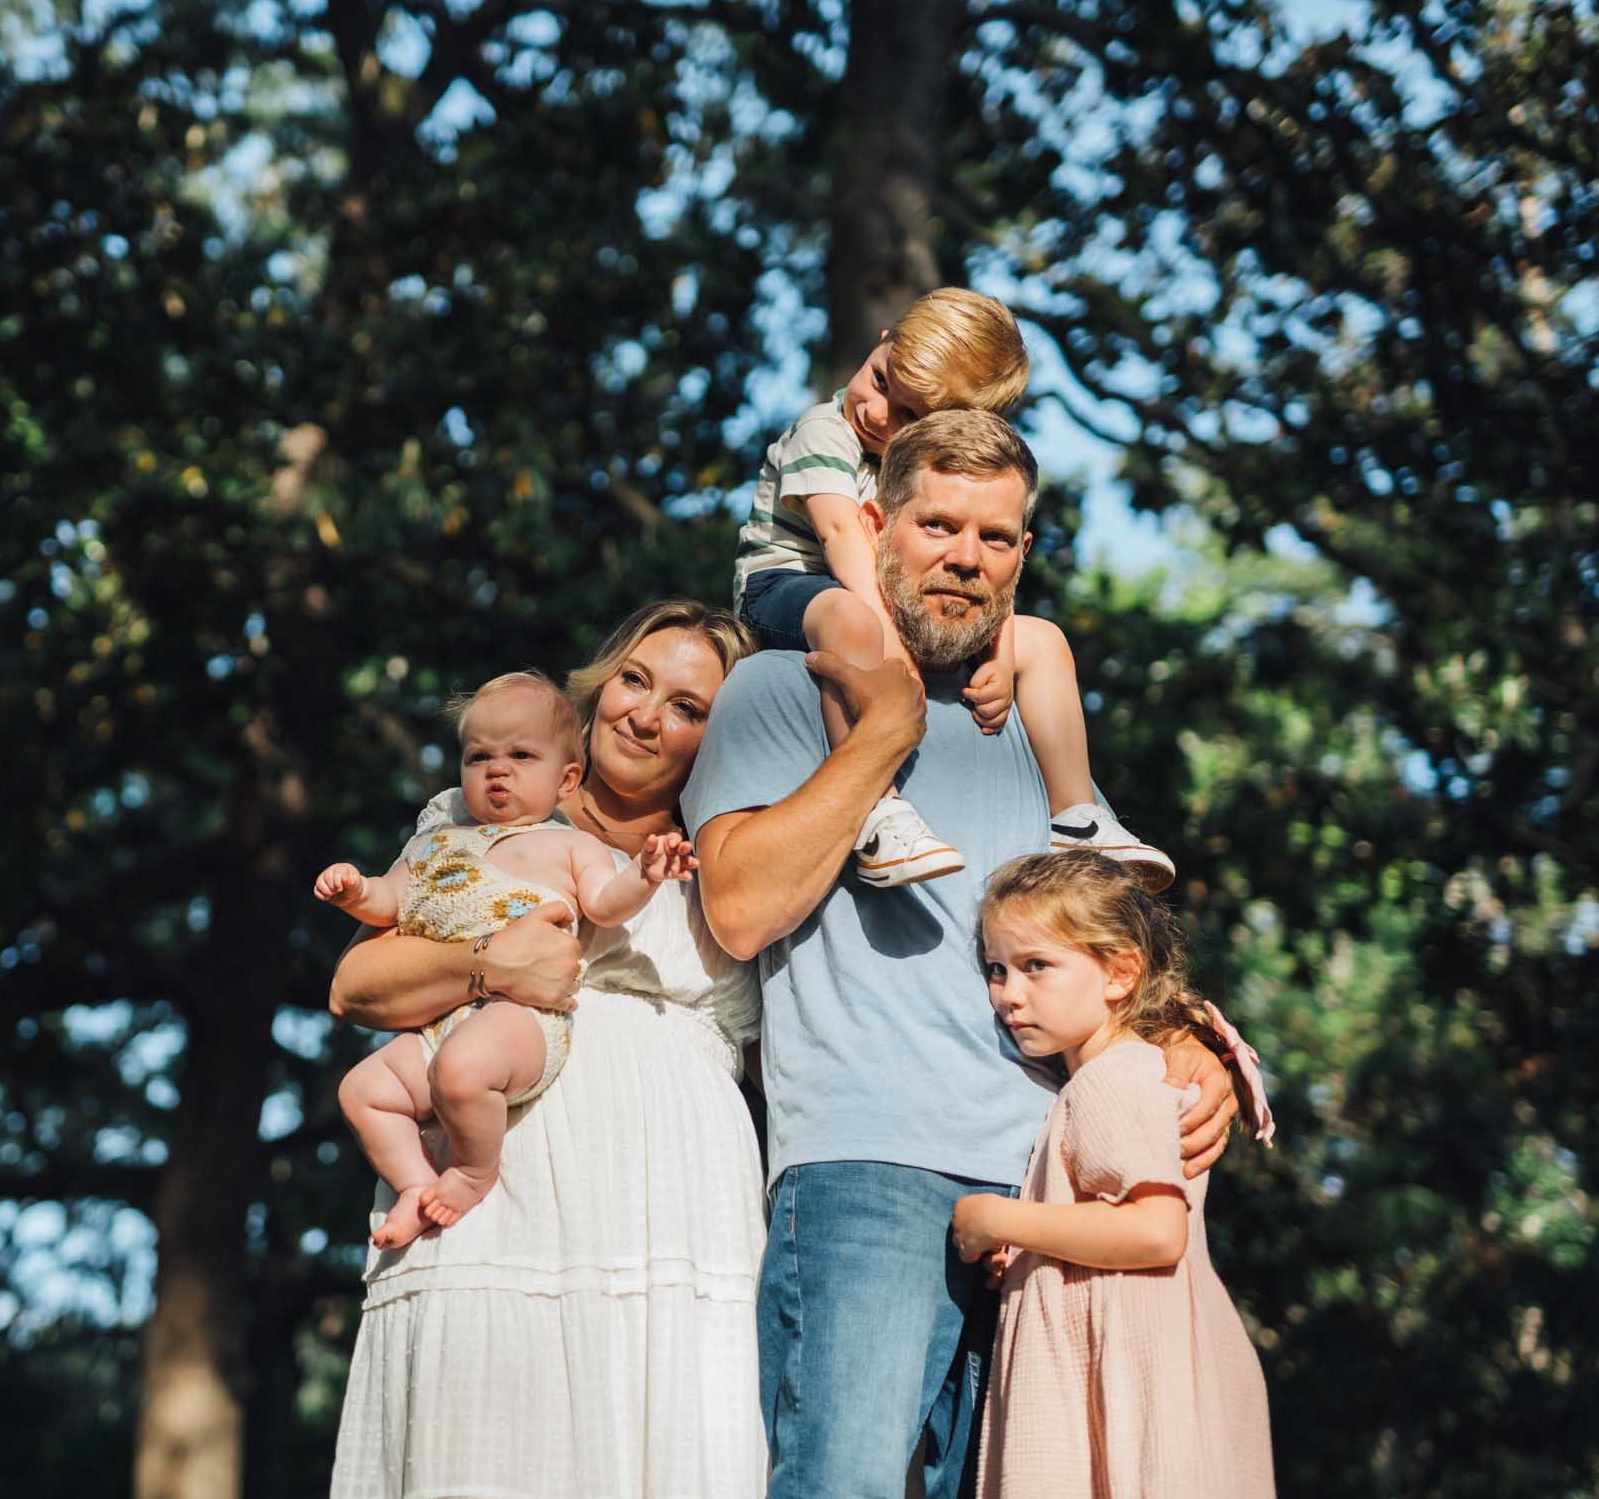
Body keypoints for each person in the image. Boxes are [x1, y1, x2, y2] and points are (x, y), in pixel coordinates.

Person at [682, 408, 1242, 1498]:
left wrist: (1194, 1046)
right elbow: (740, 909)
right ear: (876, 525)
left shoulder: (1034, 711)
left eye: (996, 537)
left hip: (1056, 1186)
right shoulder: (781, 688)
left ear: (1025, 553)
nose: (965, 559)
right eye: (938, 526)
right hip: (867, 1168)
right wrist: (886, 723)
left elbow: (1101, 943)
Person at [328, 600, 769, 1499]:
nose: (646, 714)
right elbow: (356, 988)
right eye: (635, 682)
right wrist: (491, 965)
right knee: (480, 1441)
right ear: (600, 687)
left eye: (689, 707)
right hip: (492, 1171)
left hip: (667, 1193)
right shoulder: (474, 811)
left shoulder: (737, 848)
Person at [732, 287, 1171, 890]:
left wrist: (1003, 649)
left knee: (1045, 641)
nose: (880, 413)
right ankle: (877, 812)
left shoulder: (925, 463)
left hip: (868, 591)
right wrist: (893, 647)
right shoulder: (822, 431)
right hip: (785, 582)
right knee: (851, 623)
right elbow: (841, 535)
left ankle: (1077, 818)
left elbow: (990, 562)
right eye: (881, 381)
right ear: (883, 341)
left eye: (911, 415)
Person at [319, 671, 696, 1249]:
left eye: (521, 755)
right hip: (442, 1021)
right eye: (479, 757)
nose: (498, 769)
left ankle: (473, 1173)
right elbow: (387, 901)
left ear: (566, 779)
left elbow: (605, 904)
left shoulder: (569, 845)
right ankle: (415, 1186)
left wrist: (645, 875)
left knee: (462, 1070)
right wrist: (353, 890)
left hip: (520, 1020)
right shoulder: (433, 843)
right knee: (362, 1090)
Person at [952, 850, 1275, 1499]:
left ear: (1120, 972)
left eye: (1036, 966)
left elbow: (1156, 1231)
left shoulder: (1113, 1077)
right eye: (996, 968)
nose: (1008, 994)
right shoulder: (1112, 1074)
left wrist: (992, 1218)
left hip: (1130, 1370)